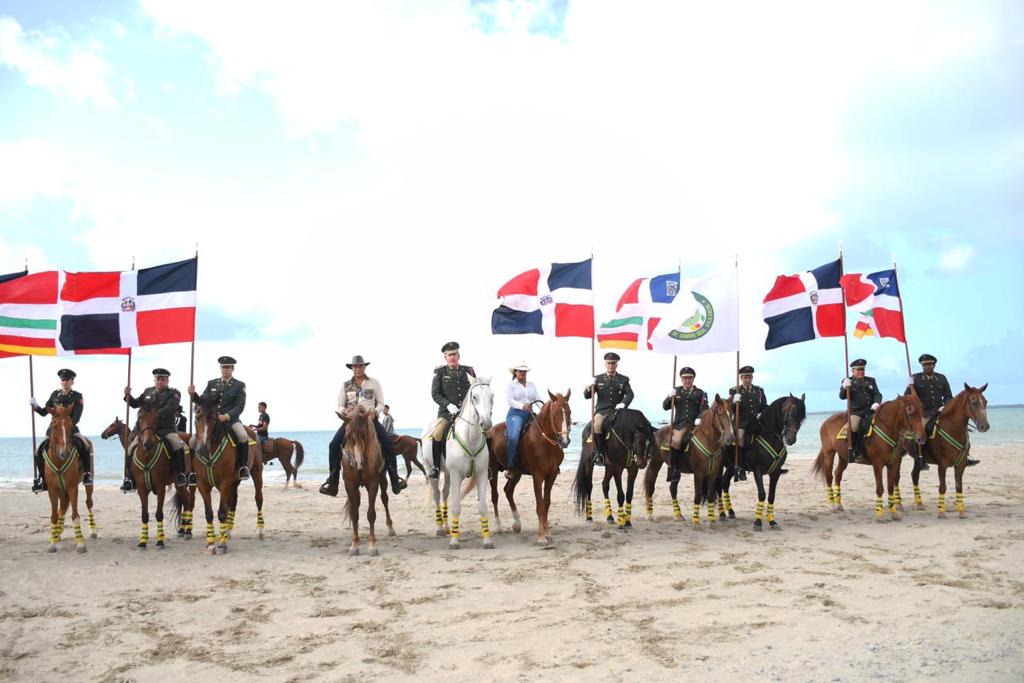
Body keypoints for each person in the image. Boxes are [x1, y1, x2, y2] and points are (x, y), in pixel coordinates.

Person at [319, 355, 407, 496]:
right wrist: (344, 411)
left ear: (364, 367)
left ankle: (395, 478)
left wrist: (376, 413)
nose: (358, 368)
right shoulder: (345, 385)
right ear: (352, 368)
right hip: (351, 421)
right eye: (355, 366)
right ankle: (332, 481)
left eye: (360, 365)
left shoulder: (374, 383)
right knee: (333, 445)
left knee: (388, 444)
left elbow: (381, 403)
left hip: (370, 419)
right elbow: (340, 405)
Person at [121, 368, 188, 490]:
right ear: (154, 380)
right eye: (158, 379)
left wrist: (153, 415)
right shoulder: (148, 391)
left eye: (163, 379)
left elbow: (171, 408)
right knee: (130, 449)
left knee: (178, 445)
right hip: (147, 430)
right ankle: (129, 478)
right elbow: (136, 404)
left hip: (166, 429)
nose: (160, 382)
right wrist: (127, 395)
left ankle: (181, 474)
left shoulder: (174, 393)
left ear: (167, 381)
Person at [906, 353, 976, 468]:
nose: (927, 366)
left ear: (934, 365)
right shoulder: (915, 378)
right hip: (924, 413)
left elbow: (948, 396)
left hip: (941, 412)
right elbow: (908, 397)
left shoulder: (941, 378)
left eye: (930, 364)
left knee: (962, 427)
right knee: (922, 430)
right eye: (925, 365)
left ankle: (965, 456)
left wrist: (945, 406)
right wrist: (910, 386)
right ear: (922, 366)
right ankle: (920, 458)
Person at [188, 355, 251, 483]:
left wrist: (226, 416)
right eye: (223, 367)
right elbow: (201, 401)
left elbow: (239, 406)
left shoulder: (239, 385)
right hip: (212, 420)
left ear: (233, 369)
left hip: (230, 420)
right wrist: (192, 395)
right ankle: (192, 471)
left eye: (228, 367)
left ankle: (242, 467)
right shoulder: (212, 383)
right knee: (193, 441)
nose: (225, 370)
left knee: (243, 436)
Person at [30, 368, 92, 491]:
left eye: (67, 380)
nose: (65, 382)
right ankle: (42, 479)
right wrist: (35, 406)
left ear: (72, 382)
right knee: (38, 451)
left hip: (71, 429)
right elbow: (44, 412)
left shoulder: (77, 396)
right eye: (63, 380)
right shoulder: (54, 394)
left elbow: (77, 417)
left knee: (85, 445)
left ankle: (86, 474)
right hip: (54, 431)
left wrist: (66, 425)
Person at [427, 341, 476, 479]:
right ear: (445, 358)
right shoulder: (440, 372)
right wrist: (448, 405)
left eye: (454, 354)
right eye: (449, 355)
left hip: (467, 413)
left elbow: (475, 390)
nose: (452, 357)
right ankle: (435, 467)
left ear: (458, 355)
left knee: (486, 431)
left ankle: (488, 465)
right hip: (446, 413)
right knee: (437, 433)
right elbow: (435, 393)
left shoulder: (469, 371)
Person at [583, 352, 634, 466]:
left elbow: (630, 394)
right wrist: (588, 387)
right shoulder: (597, 378)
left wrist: (623, 404)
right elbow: (587, 396)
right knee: (596, 425)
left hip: (618, 411)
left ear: (617, 365)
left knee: (633, 425)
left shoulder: (623, 379)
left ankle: (633, 454)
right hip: (602, 411)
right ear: (605, 364)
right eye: (609, 363)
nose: (611, 365)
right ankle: (600, 454)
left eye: (613, 363)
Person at [662, 367, 707, 483]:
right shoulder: (676, 391)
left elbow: (705, 409)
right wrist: (669, 397)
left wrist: (699, 418)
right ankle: (674, 468)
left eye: (689, 378)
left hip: (696, 425)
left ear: (693, 379)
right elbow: (665, 407)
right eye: (685, 378)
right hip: (680, 425)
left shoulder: (700, 393)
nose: (687, 381)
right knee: (676, 441)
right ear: (682, 379)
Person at [728, 365, 768, 481]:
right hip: (741, 422)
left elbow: (764, 406)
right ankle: (741, 466)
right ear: (741, 378)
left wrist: (763, 414)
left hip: (755, 421)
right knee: (740, 437)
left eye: (749, 377)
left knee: (770, 435)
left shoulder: (759, 391)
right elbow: (730, 409)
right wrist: (734, 402)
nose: (747, 379)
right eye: (745, 377)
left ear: (752, 377)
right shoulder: (734, 390)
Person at [840, 359, 882, 463]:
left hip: (871, 410)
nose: (861, 372)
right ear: (853, 371)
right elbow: (842, 396)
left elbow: (877, 394)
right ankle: (855, 450)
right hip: (856, 412)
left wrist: (876, 403)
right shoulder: (848, 381)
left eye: (862, 369)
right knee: (855, 426)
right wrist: (844, 387)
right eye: (858, 370)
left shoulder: (871, 380)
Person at [505, 361, 540, 479]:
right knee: (514, 436)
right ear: (515, 372)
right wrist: (522, 405)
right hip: (516, 413)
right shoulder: (511, 385)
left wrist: (545, 409)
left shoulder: (531, 385)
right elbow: (510, 401)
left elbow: (538, 399)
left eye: (524, 371)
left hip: (530, 413)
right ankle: (510, 466)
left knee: (546, 429)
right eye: (520, 371)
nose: (522, 373)